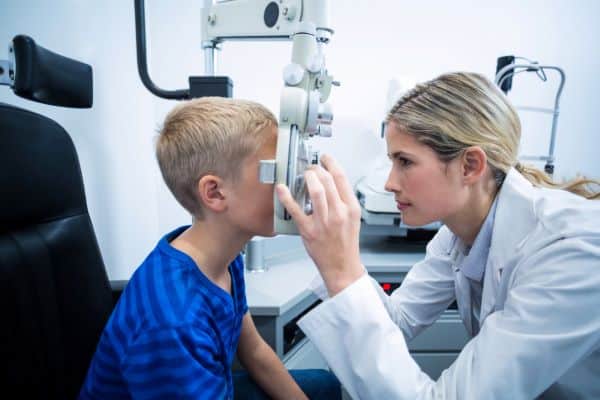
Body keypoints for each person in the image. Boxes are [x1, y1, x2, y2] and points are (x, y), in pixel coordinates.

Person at [276, 72, 600, 399]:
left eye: (405, 161)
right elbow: (398, 320)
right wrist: (338, 262)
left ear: (470, 166)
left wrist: (343, 274)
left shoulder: (570, 250)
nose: (389, 182)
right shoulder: (457, 233)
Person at [79, 97, 341, 399]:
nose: (290, 187)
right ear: (214, 193)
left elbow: (254, 351)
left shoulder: (224, 258)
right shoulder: (175, 322)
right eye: (275, 173)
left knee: (324, 385)